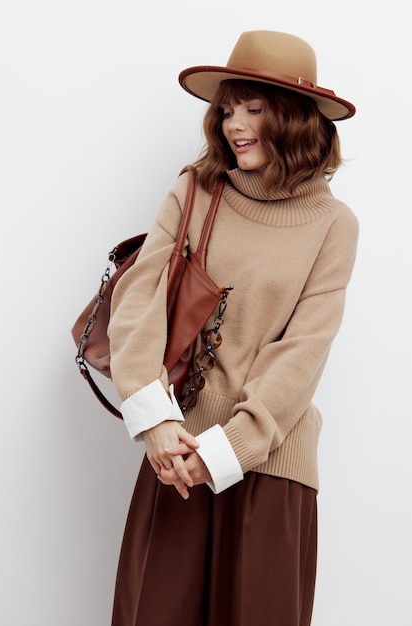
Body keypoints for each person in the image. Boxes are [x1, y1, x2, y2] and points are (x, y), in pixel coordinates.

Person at [108, 30, 358, 626]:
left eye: (254, 109)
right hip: (176, 455)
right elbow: (138, 302)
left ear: (297, 119)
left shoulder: (333, 224)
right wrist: (157, 424)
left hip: (271, 462)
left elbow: (304, 350)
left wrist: (230, 448)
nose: (234, 125)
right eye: (227, 109)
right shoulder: (195, 190)